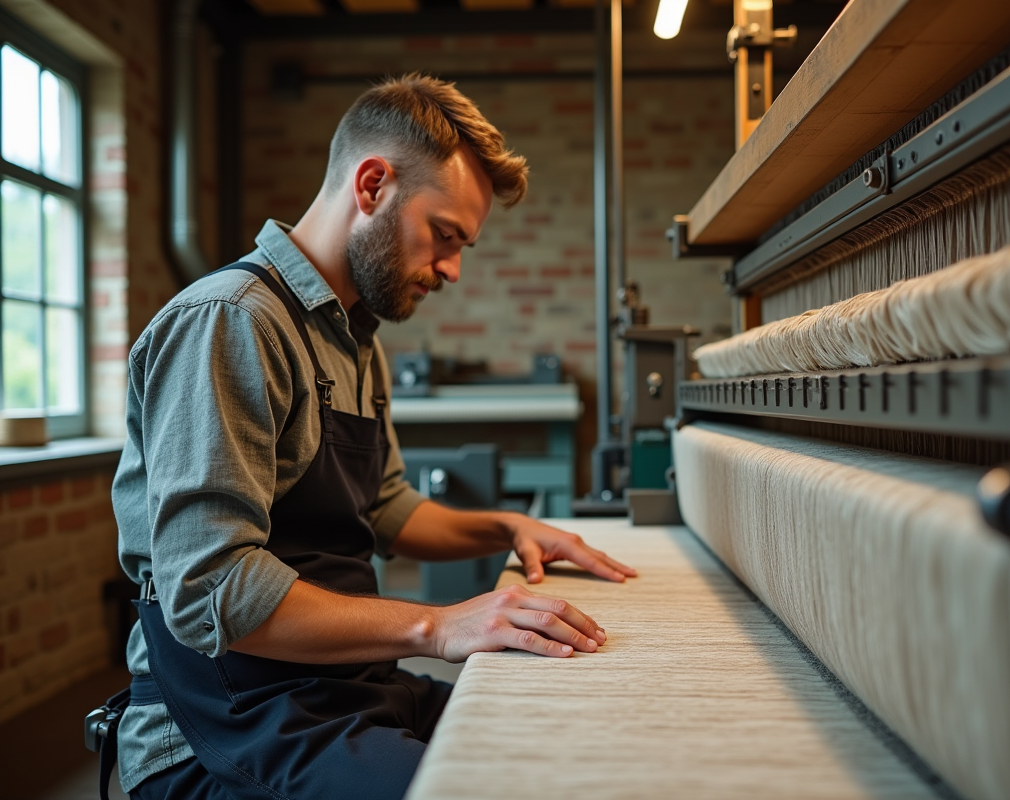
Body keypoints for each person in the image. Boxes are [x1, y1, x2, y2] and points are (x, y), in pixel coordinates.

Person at [110, 74, 637, 800]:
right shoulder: (231, 322)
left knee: (562, 740)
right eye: (444, 235)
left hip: (340, 689)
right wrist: (437, 627)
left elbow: (385, 508)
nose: (451, 268)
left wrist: (507, 527)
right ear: (371, 186)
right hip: (221, 731)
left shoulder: (357, 339)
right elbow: (215, 592)